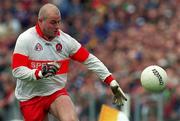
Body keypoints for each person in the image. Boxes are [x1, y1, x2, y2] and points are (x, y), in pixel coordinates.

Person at [11, 3, 127, 121]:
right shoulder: (25, 39)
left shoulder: (66, 41)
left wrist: (111, 81)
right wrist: (39, 73)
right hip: (30, 97)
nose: (57, 26)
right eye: (53, 22)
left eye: (58, 22)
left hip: (55, 92)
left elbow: (90, 60)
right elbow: (17, 71)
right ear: (40, 21)